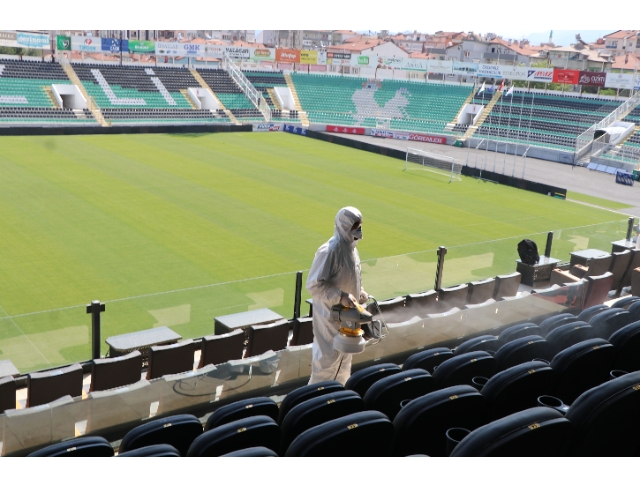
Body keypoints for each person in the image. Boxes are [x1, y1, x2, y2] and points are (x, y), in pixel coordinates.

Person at [306, 206, 368, 385]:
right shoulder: (329, 251)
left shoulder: (352, 250)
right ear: (345, 225)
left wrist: (360, 292)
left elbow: (351, 277)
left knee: (344, 363)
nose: (359, 229)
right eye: (355, 225)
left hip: (349, 319)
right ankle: (314, 402)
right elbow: (314, 285)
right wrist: (340, 296)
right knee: (326, 363)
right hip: (329, 319)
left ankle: (338, 398)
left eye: (360, 225)